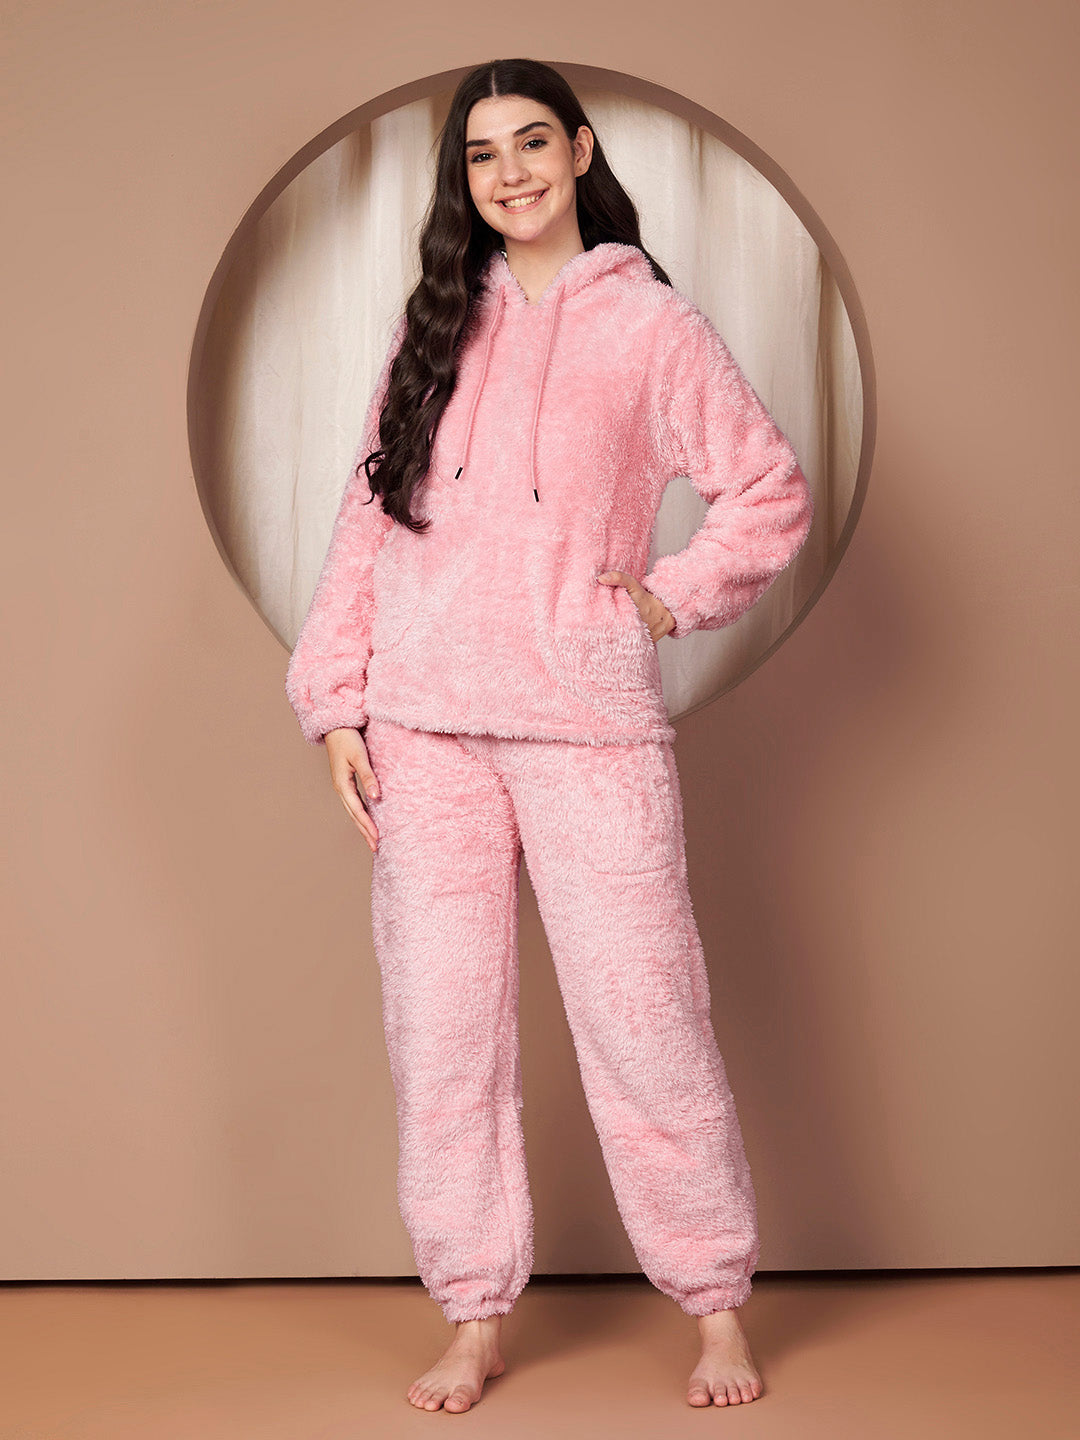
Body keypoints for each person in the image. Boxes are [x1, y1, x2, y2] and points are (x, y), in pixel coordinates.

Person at [285, 57, 814, 1414]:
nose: (510, 173)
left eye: (532, 143)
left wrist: (669, 595)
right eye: (481, 155)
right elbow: (366, 520)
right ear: (462, 181)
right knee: (442, 1035)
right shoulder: (433, 329)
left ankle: (715, 1305)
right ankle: (473, 1315)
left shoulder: (653, 327)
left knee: (647, 1016)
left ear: (580, 152)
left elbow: (766, 491)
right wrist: (335, 701)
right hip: (423, 725)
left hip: (585, 720)